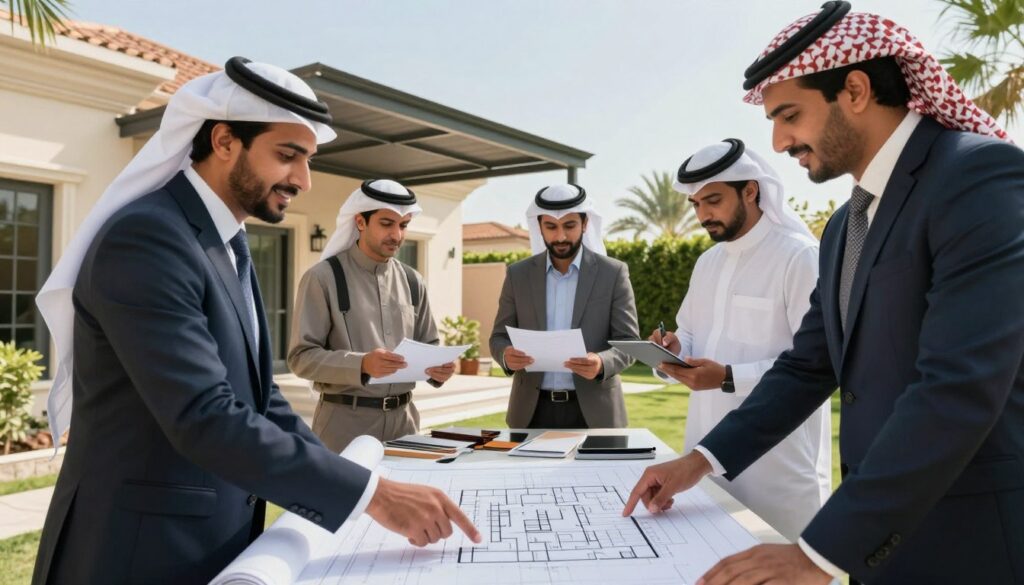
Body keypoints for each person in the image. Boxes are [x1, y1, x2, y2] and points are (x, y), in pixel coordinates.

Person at [32, 58, 478, 585]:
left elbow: (261, 400)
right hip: (137, 549)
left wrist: (352, 487)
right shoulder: (150, 238)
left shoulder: (227, 245)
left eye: (308, 159)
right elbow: (204, 414)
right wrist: (373, 496)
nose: (304, 180)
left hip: (212, 540)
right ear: (224, 142)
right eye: (288, 156)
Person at [623, 3, 1023, 584]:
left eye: (789, 115)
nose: (780, 141)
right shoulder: (843, 226)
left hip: (971, 543)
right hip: (878, 546)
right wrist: (699, 461)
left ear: (855, 89)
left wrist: (819, 553)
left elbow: (958, 389)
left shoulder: (978, 179)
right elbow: (809, 367)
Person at [651, 138, 830, 541]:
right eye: (695, 204)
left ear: (750, 190)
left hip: (777, 467)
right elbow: (692, 334)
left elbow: (816, 363)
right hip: (703, 456)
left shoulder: (799, 256)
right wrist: (674, 350)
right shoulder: (707, 262)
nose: (702, 215)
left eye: (712, 200)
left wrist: (729, 376)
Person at [288, 179, 455, 451]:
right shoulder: (322, 278)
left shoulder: (414, 281)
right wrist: (362, 364)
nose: (397, 235)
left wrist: (439, 369)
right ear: (360, 222)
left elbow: (429, 345)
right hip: (344, 426)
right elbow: (301, 358)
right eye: (387, 223)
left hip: (405, 425)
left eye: (403, 225)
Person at [490, 183, 639, 429]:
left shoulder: (613, 273)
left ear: (585, 224)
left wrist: (601, 363)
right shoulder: (517, 275)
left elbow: (629, 342)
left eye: (569, 226)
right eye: (551, 227)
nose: (560, 236)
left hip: (596, 413)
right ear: (539, 227)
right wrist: (505, 355)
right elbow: (498, 337)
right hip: (530, 413)